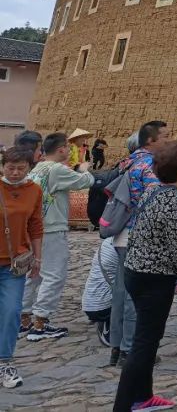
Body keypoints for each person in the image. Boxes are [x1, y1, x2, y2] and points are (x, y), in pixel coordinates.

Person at [113, 139, 177, 412]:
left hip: (137, 271)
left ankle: (143, 397)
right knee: (144, 343)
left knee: (148, 338)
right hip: (154, 278)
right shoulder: (172, 201)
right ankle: (123, 405)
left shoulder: (152, 192)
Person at [20, 131, 94, 341]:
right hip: (51, 230)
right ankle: (40, 323)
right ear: (62, 149)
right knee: (53, 275)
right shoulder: (57, 169)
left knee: (32, 275)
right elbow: (85, 182)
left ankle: (23, 319)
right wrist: (84, 168)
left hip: (33, 230)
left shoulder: (37, 169)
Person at [109, 120, 168, 368]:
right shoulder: (149, 165)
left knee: (121, 293)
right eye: (165, 136)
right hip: (140, 237)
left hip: (123, 234)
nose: (169, 139)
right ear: (151, 141)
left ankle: (117, 346)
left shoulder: (129, 161)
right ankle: (130, 349)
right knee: (137, 295)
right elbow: (155, 201)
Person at [0, 145, 43, 389]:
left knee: (11, 312)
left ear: (29, 167)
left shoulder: (33, 191)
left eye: (21, 168)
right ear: (2, 166)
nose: (15, 172)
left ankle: (4, 362)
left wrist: (38, 258)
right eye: (10, 167)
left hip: (13, 264)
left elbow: (36, 226)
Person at [82, 237, 118, 347]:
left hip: (89, 304)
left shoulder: (108, 242)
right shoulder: (121, 245)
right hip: (102, 306)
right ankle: (110, 325)